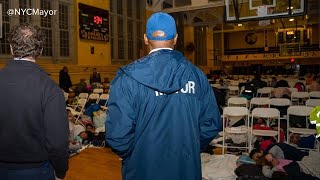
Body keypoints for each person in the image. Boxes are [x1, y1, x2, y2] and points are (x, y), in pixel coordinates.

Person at [106, 12, 221, 180]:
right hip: (185, 167)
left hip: (143, 169)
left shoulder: (127, 78)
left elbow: (117, 135)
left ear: (145, 38)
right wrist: (190, 146)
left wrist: (136, 155)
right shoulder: (197, 76)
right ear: (175, 38)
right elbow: (211, 124)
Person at [0, 23, 69, 179]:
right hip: (35, 171)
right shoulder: (49, 87)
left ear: (11, 48)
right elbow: (57, 141)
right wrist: (60, 171)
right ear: (40, 51)